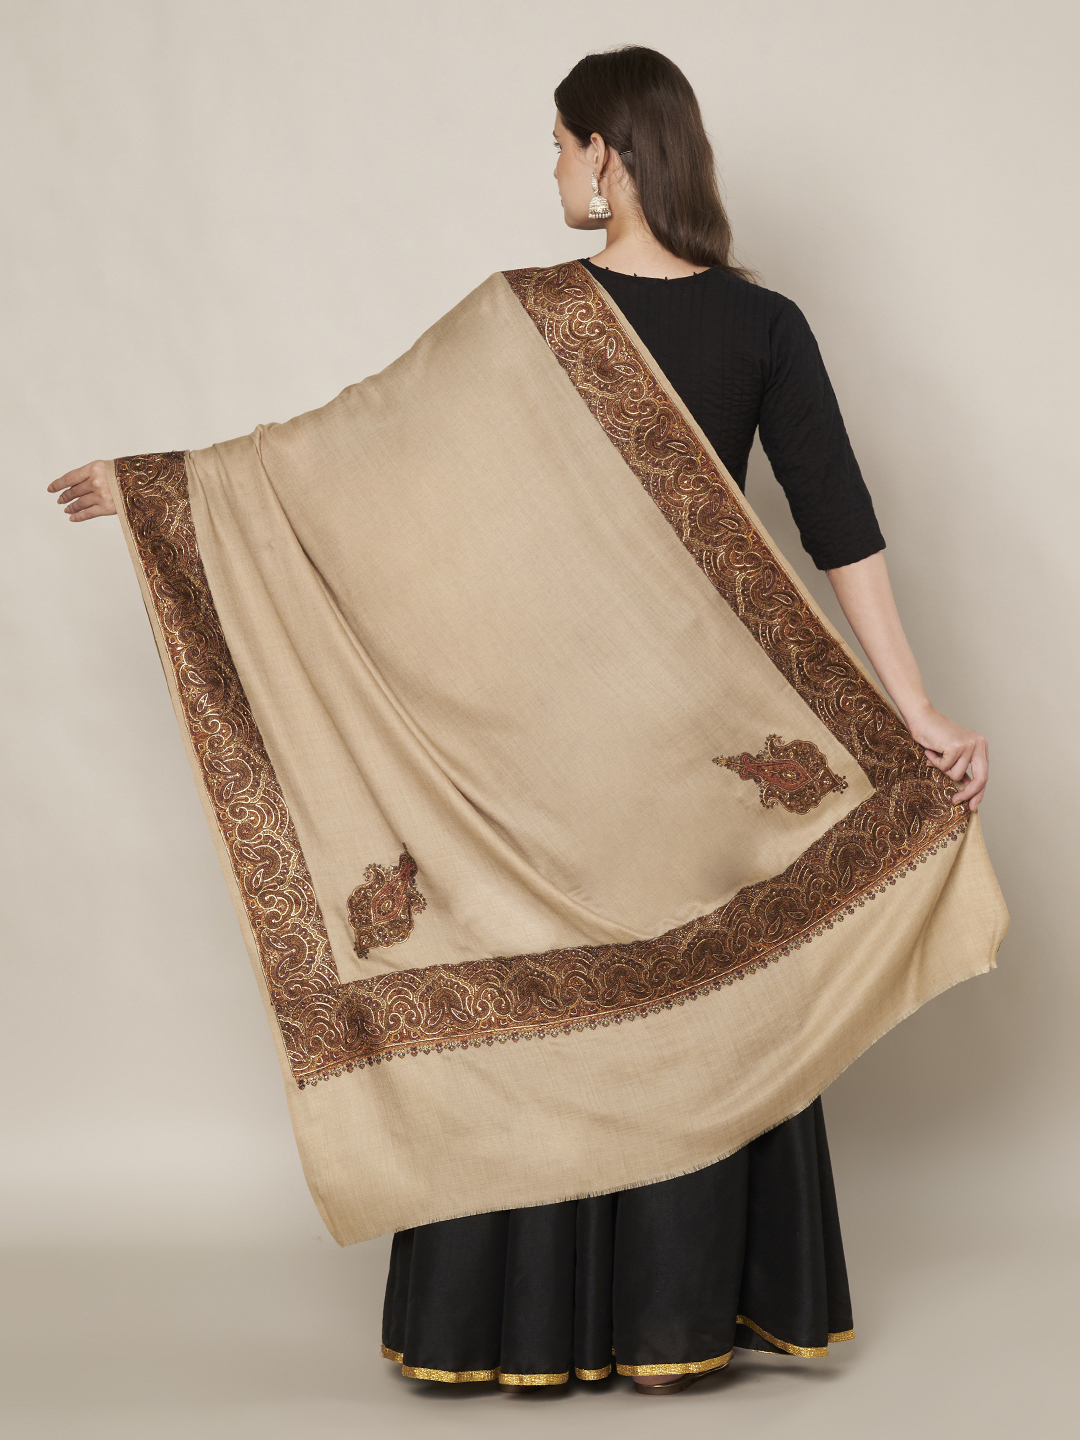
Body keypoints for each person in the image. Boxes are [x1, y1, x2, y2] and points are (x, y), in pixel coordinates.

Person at [50, 46, 996, 1397]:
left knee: (553, 994)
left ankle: (518, 1333)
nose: (551, 166)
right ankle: (680, 1326)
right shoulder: (763, 324)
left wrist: (168, 489)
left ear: (609, 153)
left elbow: (339, 462)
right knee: (710, 999)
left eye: (558, 142)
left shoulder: (525, 318)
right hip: (705, 755)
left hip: (546, 762)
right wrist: (916, 710)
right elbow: (842, 528)